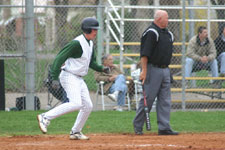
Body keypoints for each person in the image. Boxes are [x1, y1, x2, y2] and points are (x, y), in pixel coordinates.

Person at [37, 17, 109, 140]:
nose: (96, 32)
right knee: (76, 103)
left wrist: (102, 68)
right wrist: (54, 78)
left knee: (88, 106)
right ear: (87, 30)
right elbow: (59, 58)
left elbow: (90, 62)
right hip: (69, 76)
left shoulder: (90, 43)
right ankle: (45, 117)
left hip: (79, 78)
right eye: (94, 30)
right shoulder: (76, 43)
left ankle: (75, 131)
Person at [133, 10, 178, 135]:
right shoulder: (151, 32)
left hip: (165, 70)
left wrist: (168, 71)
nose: (168, 20)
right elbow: (144, 54)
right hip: (152, 69)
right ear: (159, 19)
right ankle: (138, 126)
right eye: (166, 18)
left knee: (165, 100)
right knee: (149, 98)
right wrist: (144, 71)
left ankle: (164, 127)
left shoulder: (169, 34)